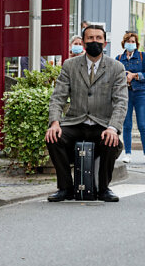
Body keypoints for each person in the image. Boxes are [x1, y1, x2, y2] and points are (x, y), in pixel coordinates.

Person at [45, 24, 128, 202]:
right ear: (83, 42)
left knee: (111, 141)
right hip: (75, 122)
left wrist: (113, 128)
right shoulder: (70, 65)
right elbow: (58, 97)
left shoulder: (117, 68)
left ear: (104, 43)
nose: (94, 41)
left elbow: (121, 102)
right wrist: (54, 123)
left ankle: (104, 188)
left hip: (102, 124)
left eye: (98, 38)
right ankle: (65, 188)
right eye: (90, 38)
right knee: (53, 137)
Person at [116, 31, 145, 165]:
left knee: (142, 124)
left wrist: (135, 75)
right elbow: (115, 75)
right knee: (126, 125)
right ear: (124, 43)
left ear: (136, 44)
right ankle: (127, 153)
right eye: (128, 41)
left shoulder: (143, 56)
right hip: (126, 94)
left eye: (133, 41)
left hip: (140, 93)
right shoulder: (119, 58)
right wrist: (124, 77)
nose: (130, 44)